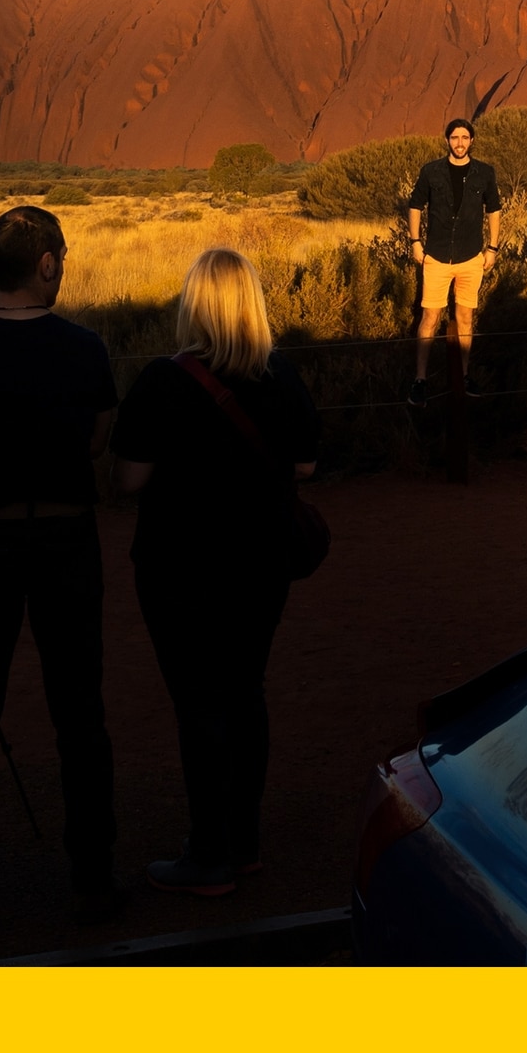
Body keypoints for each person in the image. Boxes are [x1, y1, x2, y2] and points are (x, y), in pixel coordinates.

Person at [0, 206, 123, 937]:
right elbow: (99, 438)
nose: (63, 265)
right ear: (44, 264)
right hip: (66, 541)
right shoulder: (85, 348)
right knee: (81, 716)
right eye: (60, 255)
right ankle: (93, 884)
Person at [113, 248, 323, 897]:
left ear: (193, 304)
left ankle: (208, 857)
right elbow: (307, 468)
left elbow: (129, 478)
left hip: (179, 567)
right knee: (245, 691)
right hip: (260, 565)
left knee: (199, 704)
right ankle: (245, 843)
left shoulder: (162, 382)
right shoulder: (283, 376)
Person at [406, 117, 504, 400]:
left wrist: (493, 248)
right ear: (447, 140)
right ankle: (420, 380)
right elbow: (415, 205)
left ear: (472, 141)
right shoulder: (431, 171)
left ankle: (463, 376)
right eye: (454, 138)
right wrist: (415, 242)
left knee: (464, 318)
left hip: (471, 257)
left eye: (464, 137)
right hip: (436, 257)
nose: (459, 143)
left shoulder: (485, 172)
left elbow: (494, 210)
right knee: (429, 318)